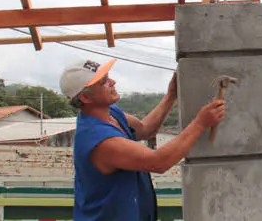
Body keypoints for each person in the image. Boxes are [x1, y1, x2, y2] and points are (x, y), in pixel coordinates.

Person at [59, 58, 225, 221]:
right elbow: (158, 162)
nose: (113, 82)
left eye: (108, 76)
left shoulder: (111, 114)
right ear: (85, 98)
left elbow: (145, 129)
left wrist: (171, 96)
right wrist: (200, 123)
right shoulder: (100, 140)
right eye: (103, 82)